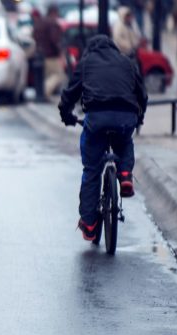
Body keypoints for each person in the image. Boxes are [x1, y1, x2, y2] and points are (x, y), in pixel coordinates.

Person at [58, 35, 147, 241]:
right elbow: (142, 93)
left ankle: (89, 224)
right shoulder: (127, 62)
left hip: (97, 119)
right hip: (126, 117)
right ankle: (125, 174)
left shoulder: (86, 63)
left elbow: (69, 94)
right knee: (124, 141)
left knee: (91, 169)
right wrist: (139, 117)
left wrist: (67, 117)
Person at [32, 4, 64, 101]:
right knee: (58, 75)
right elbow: (55, 39)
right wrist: (60, 51)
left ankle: (43, 93)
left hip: (40, 55)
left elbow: (34, 35)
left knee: (48, 76)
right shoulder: (52, 23)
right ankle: (45, 92)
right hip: (51, 55)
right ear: (54, 12)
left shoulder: (40, 22)